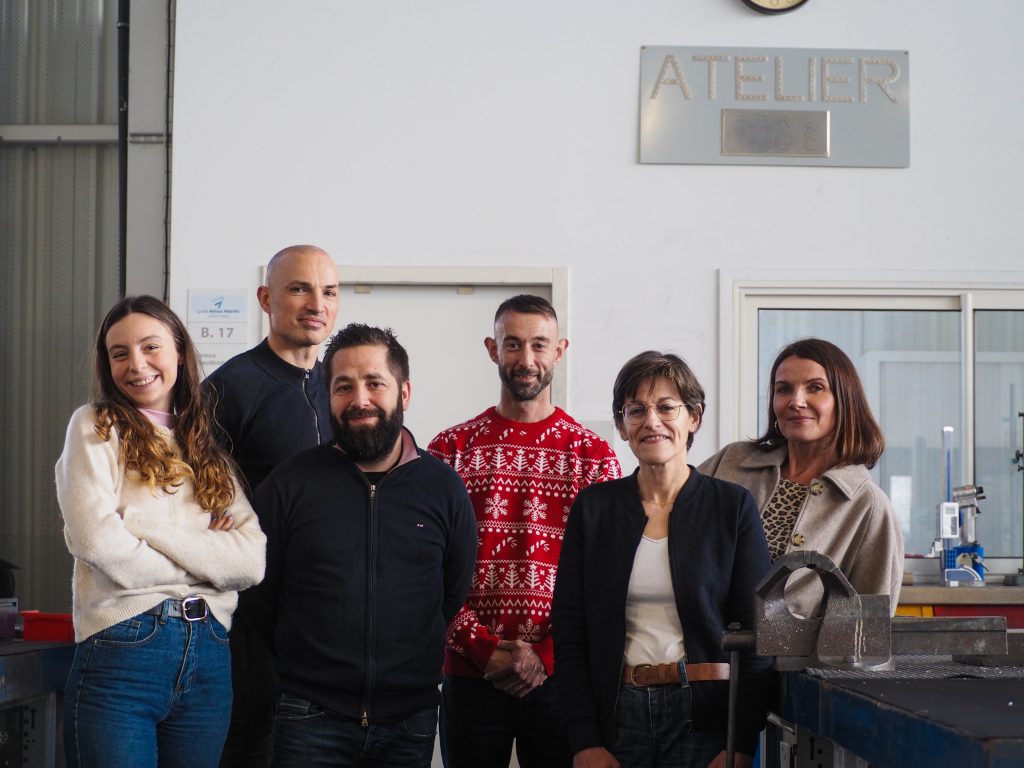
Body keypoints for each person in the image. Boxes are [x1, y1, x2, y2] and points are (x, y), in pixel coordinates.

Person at [247, 323, 478, 768]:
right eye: (343, 386)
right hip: (307, 715)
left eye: (375, 383)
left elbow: (451, 592)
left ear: (404, 393)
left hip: (408, 722)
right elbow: (259, 593)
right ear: (325, 396)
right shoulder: (289, 485)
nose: (360, 400)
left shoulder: (443, 488)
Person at [56, 295, 267, 768]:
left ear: (178, 353)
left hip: (210, 654)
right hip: (123, 648)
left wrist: (143, 525)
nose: (137, 365)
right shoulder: (96, 426)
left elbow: (250, 562)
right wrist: (203, 561)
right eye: (119, 353)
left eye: (151, 347)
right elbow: (96, 541)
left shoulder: (204, 447)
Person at [552, 351, 773, 768]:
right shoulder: (594, 509)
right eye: (636, 410)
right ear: (621, 425)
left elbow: (757, 635)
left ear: (694, 418)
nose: (651, 421)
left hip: (705, 716)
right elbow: (570, 630)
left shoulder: (732, 507)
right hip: (616, 715)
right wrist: (584, 739)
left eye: (667, 407)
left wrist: (740, 741)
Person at [429, 294, 621, 768]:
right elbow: (426, 570)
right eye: (512, 344)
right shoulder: (449, 450)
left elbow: (608, 578)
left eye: (539, 344)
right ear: (492, 350)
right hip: (470, 675)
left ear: (561, 350)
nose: (526, 359)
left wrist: (547, 655)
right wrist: (484, 650)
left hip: (564, 679)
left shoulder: (594, 458)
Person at [204, 244, 340, 767]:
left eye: (328, 291)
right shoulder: (229, 389)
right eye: (299, 288)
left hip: (327, 617)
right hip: (250, 622)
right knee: (250, 749)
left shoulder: (342, 387)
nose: (316, 304)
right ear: (266, 298)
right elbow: (199, 504)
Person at [698, 337, 904, 619]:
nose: (796, 401)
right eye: (784, 389)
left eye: (815, 388)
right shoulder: (730, 462)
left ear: (844, 400)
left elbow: (867, 630)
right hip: (702, 652)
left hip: (797, 663)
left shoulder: (868, 506)